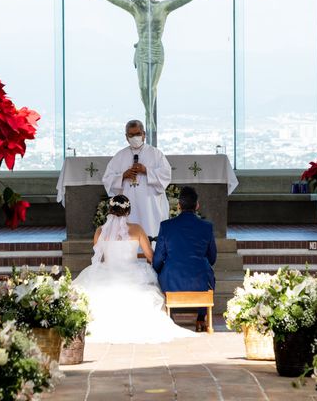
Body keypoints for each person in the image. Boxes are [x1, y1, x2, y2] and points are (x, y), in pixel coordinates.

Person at [76, 0, 223, 132]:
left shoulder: (163, 7)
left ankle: (148, 116)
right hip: (143, 50)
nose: (141, 4)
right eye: (138, 2)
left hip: (157, 49)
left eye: (142, 0)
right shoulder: (135, 9)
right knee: (143, 86)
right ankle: (148, 115)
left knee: (151, 87)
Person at [72, 194, 197, 343]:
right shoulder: (137, 230)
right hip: (134, 271)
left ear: (110, 210)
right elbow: (150, 256)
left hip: (107, 272)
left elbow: (99, 256)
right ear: (128, 211)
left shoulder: (100, 231)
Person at [152, 186, 217, 332]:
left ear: (179, 206)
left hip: (172, 280)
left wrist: (157, 271)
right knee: (207, 272)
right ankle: (201, 318)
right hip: (200, 280)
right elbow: (212, 257)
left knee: (161, 274)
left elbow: (158, 258)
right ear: (197, 205)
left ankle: (170, 318)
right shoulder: (207, 227)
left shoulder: (166, 226)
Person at [102, 119, 171, 238]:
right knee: (129, 237)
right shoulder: (120, 156)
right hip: (128, 206)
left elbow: (166, 175)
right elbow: (107, 179)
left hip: (149, 204)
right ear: (126, 136)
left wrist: (146, 171)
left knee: (151, 234)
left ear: (144, 134)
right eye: (131, 135)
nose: (135, 137)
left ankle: (151, 253)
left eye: (138, 134)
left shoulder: (156, 154)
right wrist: (123, 176)